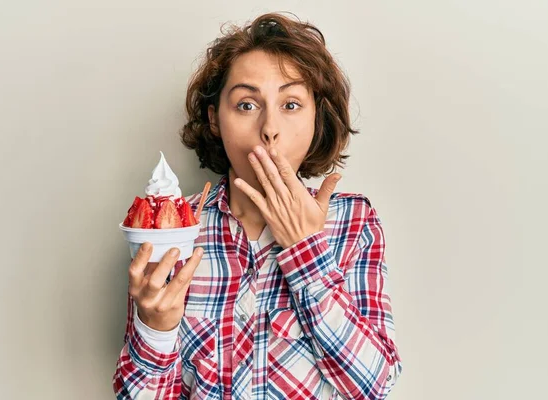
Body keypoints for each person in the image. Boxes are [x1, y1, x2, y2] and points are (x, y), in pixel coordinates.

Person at [113, 12, 402, 400]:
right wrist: (154, 327)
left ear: (317, 118)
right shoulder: (174, 228)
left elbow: (373, 387)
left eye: (291, 104)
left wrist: (305, 250)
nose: (269, 128)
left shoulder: (352, 222)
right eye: (247, 105)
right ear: (215, 119)